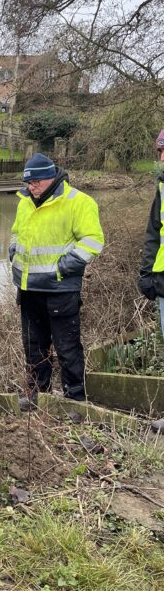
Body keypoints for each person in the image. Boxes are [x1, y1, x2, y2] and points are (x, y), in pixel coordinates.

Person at [9, 153, 104, 409]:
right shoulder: (25, 201)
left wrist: (63, 268)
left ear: (51, 177)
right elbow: (17, 232)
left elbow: (93, 241)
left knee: (67, 348)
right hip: (28, 288)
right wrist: (13, 250)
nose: (31, 187)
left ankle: (75, 400)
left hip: (60, 289)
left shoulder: (79, 202)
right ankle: (38, 395)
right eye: (28, 183)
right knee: (33, 347)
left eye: (36, 182)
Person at [138, 129, 164, 434]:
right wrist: (146, 273)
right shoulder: (162, 189)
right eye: (158, 152)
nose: (160, 159)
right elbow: (153, 234)